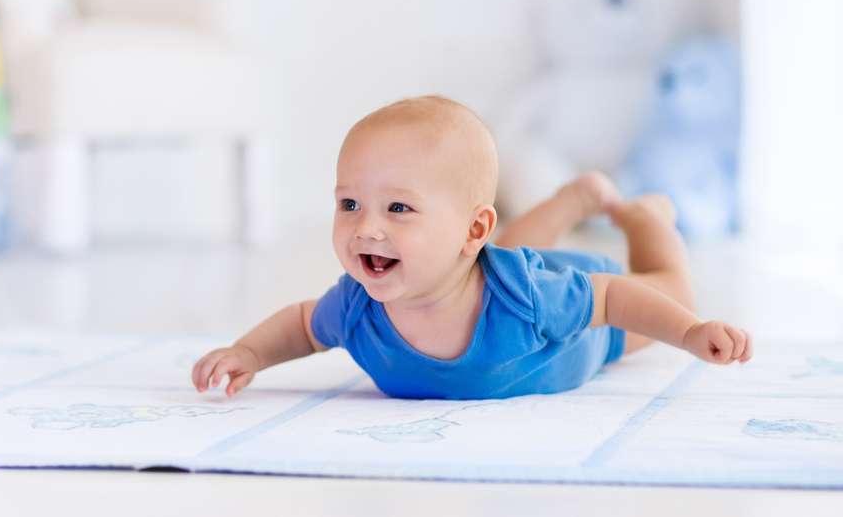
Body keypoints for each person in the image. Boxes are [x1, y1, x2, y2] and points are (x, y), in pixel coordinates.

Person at [191, 95, 752, 400]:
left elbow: (612, 298)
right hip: (489, 265)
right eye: (350, 204)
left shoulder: (533, 295)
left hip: (581, 324)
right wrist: (249, 354)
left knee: (669, 285)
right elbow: (303, 324)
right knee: (496, 257)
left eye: (398, 208)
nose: (366, 228)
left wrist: (688, 331)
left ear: (470, 229)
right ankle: (571, 200)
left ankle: (646, 216)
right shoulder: (359, 305)